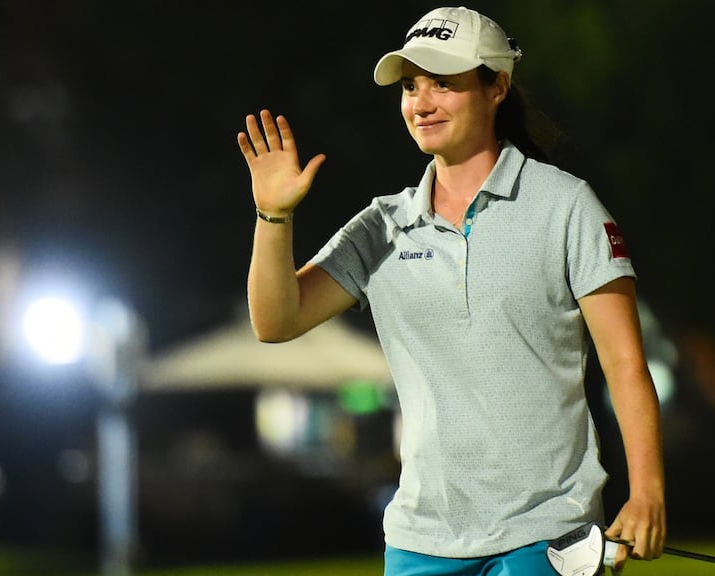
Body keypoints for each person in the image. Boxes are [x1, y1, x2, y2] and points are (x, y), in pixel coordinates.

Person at [236, 6, 665, 575]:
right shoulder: (382, 225)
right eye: (411, 86)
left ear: (497, 87)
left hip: (550, 534)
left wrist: (647, 491)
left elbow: (626, 364)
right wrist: (272, 216)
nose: (422, 101)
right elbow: (275, 321)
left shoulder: (565, 205)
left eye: (444, 82)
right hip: (422, 539)